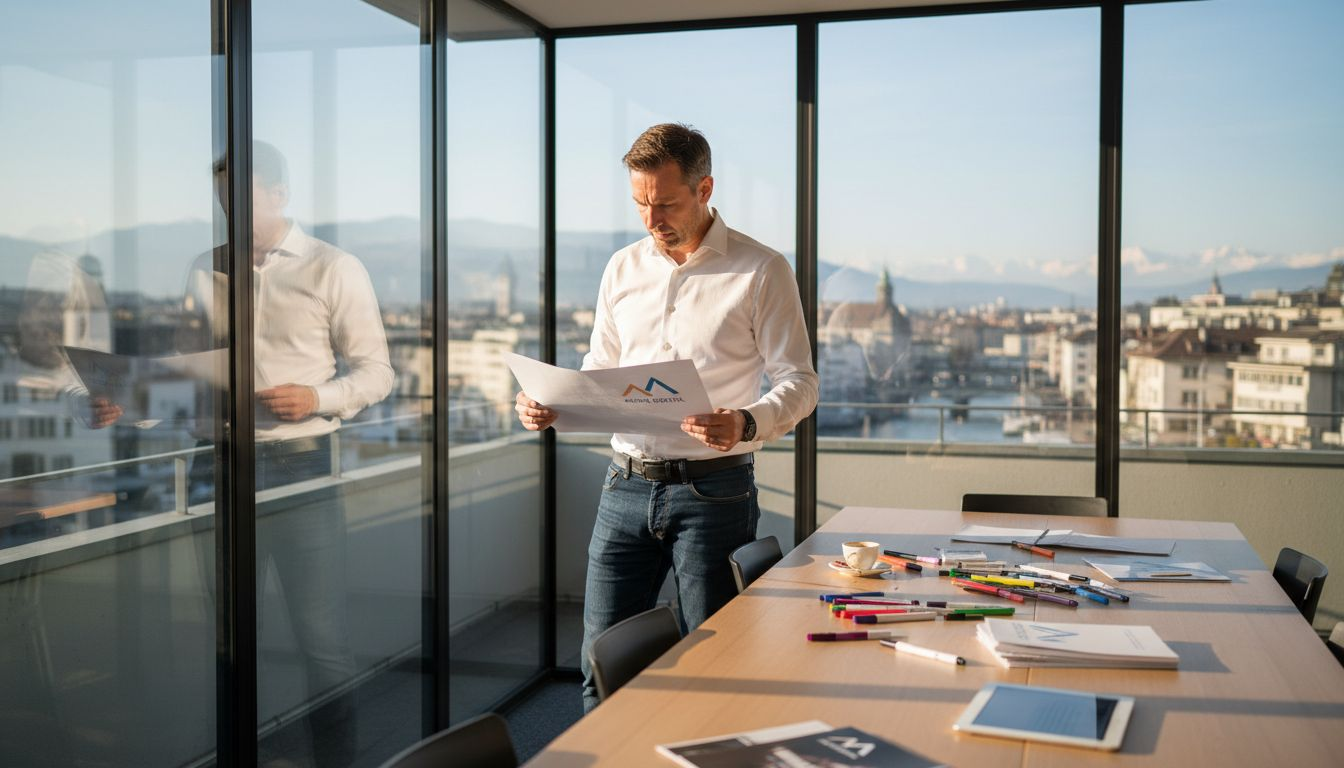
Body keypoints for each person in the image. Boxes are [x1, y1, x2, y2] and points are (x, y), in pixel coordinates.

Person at [515, 123, 818, 712]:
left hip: (715, 490)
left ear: (705, 189)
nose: (652, 220)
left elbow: (800, 382)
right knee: (600, 666)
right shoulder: (622, 269)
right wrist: (551, 402)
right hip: (623, 485)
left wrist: (748, 422)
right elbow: (600, 367)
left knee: (714, 666)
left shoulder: (761, 270)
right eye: (641, 204)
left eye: (666, 204)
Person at [180, 141, 394, 764]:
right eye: (222, 200)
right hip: (214, 465)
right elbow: (185, 373)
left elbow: (377, 373)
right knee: (230, 639)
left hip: (301, 463)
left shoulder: (333, 266)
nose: (229, 211)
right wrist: (123, 395)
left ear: (280, 194)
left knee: (321, 639)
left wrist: (318, 397)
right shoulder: (203, 267)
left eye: (240, 198)